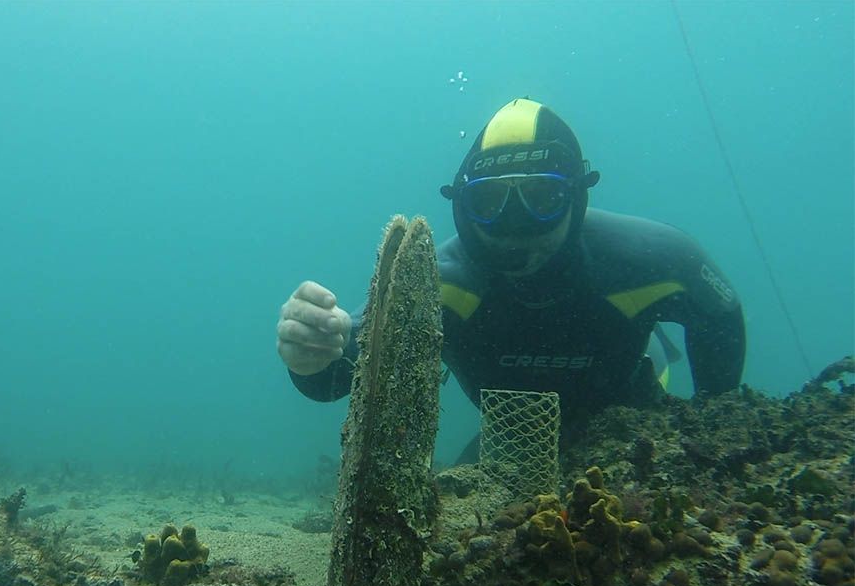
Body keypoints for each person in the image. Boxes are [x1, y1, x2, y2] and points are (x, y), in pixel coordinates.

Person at [276, 98, 745, 462]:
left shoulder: (652, 258)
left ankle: (656, 350)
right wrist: (312, 350)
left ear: (576, 198)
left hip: (632, 416)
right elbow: (343, 368)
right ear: (462, 205)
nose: (515, 227)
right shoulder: (441, 283)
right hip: (515, 442)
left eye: (543, 197)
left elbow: (720, 316)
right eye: (489, 203)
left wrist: (713, 418)